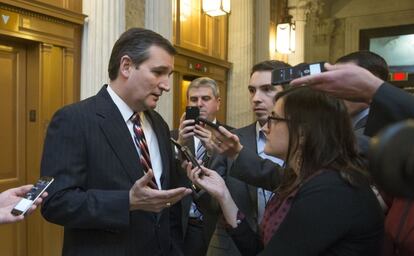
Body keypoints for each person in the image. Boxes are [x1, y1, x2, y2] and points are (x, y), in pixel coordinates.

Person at [40, 28, 192, 256]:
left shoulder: (159, 123)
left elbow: (166, 204)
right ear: (126, 66)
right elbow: (56, 203)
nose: (166, 85)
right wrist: (127, 201)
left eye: (168, 75)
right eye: (158, 72)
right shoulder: (75, 119)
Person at [188, 86, 384, 255]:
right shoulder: (302, 177)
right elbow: (261, 249)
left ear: (303, 131)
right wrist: (223, 195)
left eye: (274, 118)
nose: (265, 128)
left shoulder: (331, 189)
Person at [206, 60, 290, 256]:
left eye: (267, 89)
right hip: (232, 249)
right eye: (252, 90)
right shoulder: (230, 138)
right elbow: (209, 204)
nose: (256, 99)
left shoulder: (303, 144)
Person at [171, 77, 233, 256]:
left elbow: (233, 183)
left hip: (215, 225)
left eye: (205, 99)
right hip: (181, 225)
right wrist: (180, 145)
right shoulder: (173, 136)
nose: (199, 104)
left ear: (218, 102)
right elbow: (166, 178)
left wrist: (213, 152)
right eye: (193, 100)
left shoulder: (231, 137)